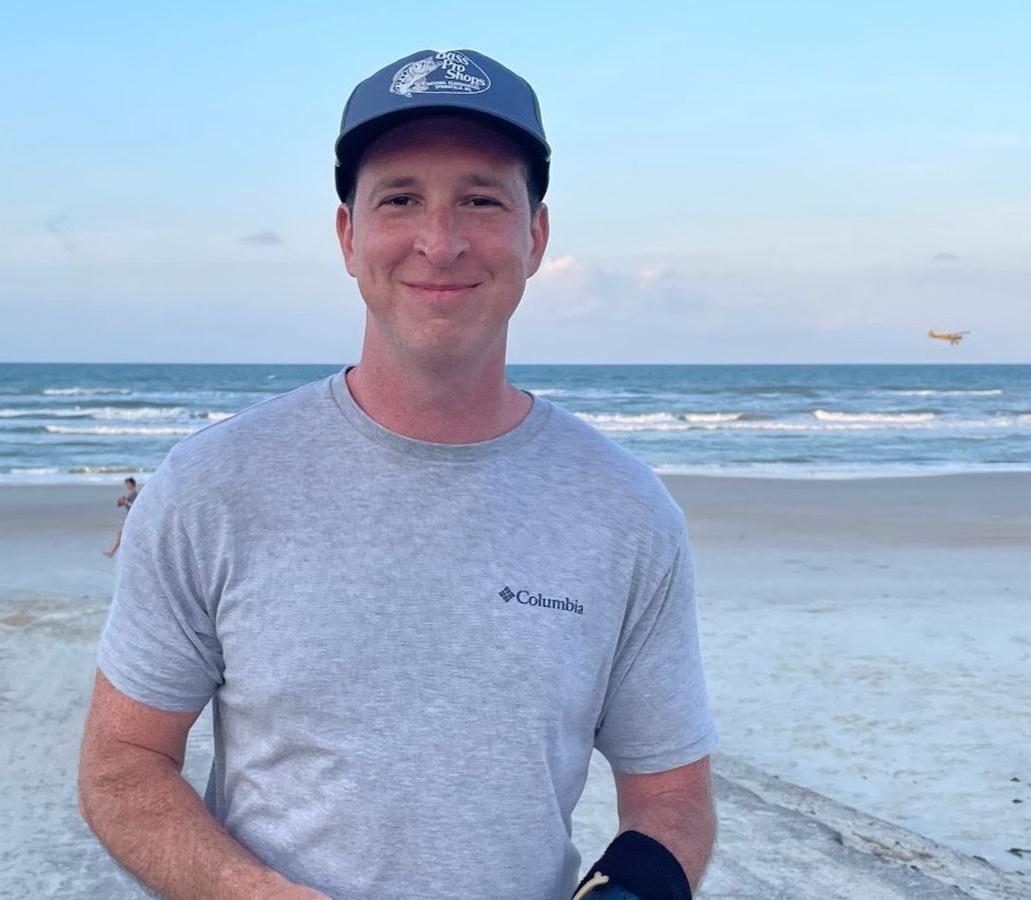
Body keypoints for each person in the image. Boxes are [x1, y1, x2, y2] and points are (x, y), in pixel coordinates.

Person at [79, 49, 717, 900]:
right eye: (400, 199)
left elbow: (673, 796)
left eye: (481, 201)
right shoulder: (211, 486)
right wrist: (249, 892)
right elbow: (124, 762)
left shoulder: (627, 511)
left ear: (535, 236)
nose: (440, 242)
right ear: (349, 235)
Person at [103, 477, 138, 557]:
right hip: (130, 519)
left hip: (134, 519)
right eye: (126, 484)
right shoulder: (130, 495)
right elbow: (120, 505)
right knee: (123, 534)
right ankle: (113, 551)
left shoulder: (135, 494)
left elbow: (135, 506)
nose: (127, 485)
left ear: (133, 484)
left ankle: (112, 552)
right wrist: (121, 502)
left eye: (128, 483)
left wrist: (126, 502)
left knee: (122, 534)